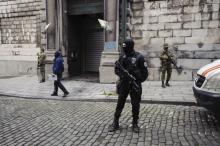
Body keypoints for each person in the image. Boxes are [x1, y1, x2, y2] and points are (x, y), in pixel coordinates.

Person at [109, 39, 148, 133]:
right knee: (120, 104)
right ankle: (115, 122)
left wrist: (137, 79)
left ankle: (135, 123)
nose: (124, 49)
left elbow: (145, 73)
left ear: (130, 47)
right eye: (123, 47)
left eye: (125, 47)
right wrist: (123, 75)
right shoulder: (122, 56)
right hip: (124, 84)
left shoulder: (139, 57)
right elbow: (117, 69)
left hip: (135, 85)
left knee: (135, 105)